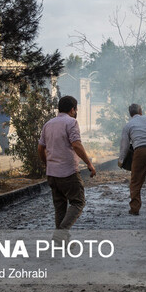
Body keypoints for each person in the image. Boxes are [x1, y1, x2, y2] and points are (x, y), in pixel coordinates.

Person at [38, 95, 96, 231]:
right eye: (76, 110)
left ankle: (61, 242)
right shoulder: (71, 122)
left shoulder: (48, 124)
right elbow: (76, 145)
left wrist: (47, 164)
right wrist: (89, 163)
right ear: (72, 109)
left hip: (52, 174)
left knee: (60, 207)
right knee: (78, 202)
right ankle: (62, 231)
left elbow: (40, 148)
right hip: (68, 172)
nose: (75, 113)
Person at [118, 103, 146, 215]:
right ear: (140, 111)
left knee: (136, 181)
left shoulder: (128, 125)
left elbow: (125, 146)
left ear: (130, 114)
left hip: (140, 152)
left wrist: (121, 160)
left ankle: (135, 209)